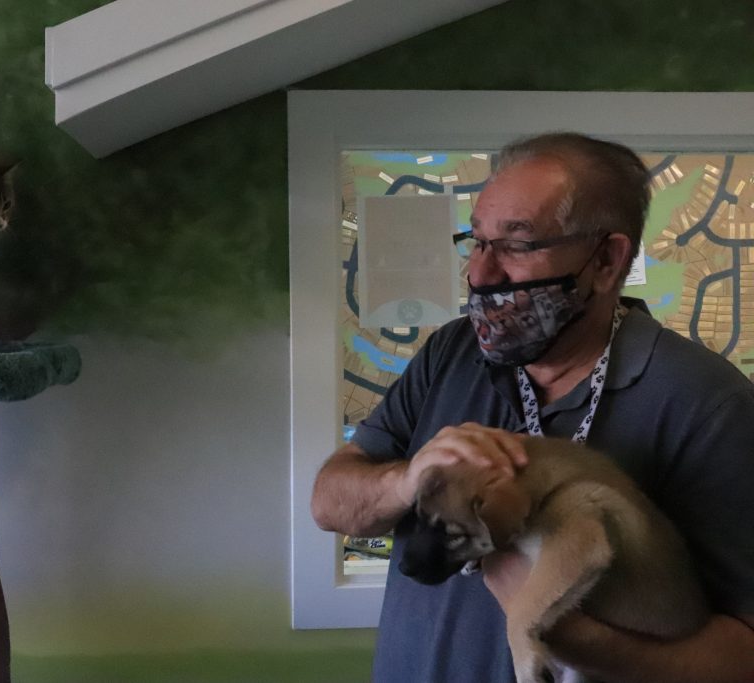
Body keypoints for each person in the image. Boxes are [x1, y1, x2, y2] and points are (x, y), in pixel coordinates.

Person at [311, 132, 754, 683]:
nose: (479, 275)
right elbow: (329, 503)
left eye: (517, 245)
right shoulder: (451, 351)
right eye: (476, 241)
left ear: (606, 260)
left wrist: (561, 634)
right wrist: (411, 480)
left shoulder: (708, 403)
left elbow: (743, 654)